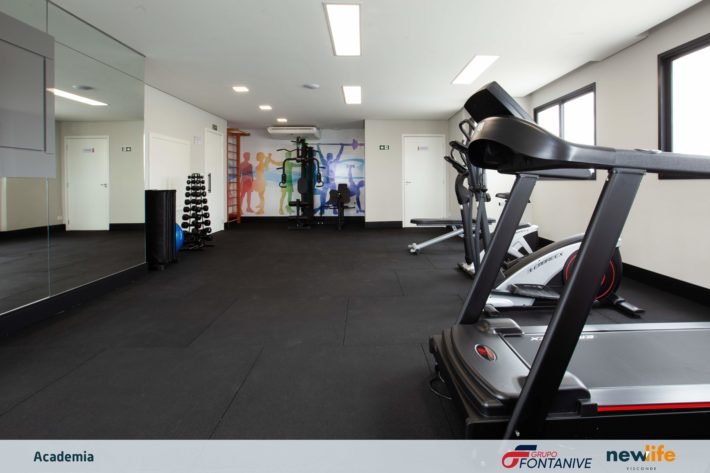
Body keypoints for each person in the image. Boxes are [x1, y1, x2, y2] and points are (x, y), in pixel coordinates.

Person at [315, 143, 345, 215]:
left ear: (331, 157)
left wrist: (342, 147)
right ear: (327, 157)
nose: (329, 157)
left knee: (334, 196)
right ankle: (322, 210)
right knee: (323, 196)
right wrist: (318, 146)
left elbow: (339, 155)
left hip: (332, 182)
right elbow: (320, 154)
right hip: (325, 182)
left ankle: (334, 210)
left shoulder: (334, 162)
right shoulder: (324, 162)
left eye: (330, 156)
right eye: (328, 156)